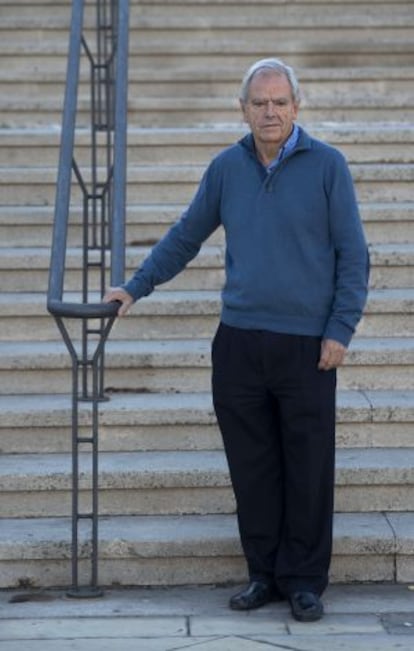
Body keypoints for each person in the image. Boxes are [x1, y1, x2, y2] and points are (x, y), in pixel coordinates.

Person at [103, 58, 369, 623]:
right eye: (259, 102)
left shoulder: (328, 166)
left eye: (279, 102)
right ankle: (263, 575)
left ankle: (303, 581)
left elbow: (354, 255)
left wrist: (340, 330)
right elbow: (185, 236)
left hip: (307, 347)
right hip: (240, 343)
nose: (269, 111)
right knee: (253, 467)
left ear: (296, 107)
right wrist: (134, 287)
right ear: (243, 109)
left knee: (307, 466)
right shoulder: (227, 168)